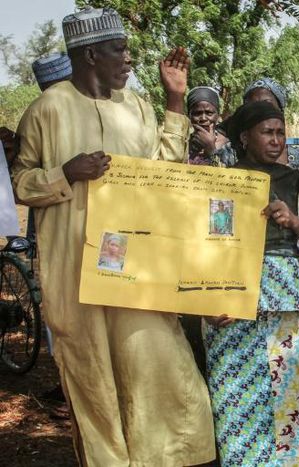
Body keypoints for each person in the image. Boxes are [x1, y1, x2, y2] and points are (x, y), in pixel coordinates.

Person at [11, 8, 215, 465]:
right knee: (94, 376)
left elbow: (165, 169)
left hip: (135, 271)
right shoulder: (47, 109)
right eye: (119, 50)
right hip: (73, 270)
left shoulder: (138, 107)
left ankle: (167, 456)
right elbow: (20, 181)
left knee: (158, 363)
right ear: (91, 54)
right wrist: (65, 173)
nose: (128, 59)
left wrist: (175, 101)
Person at [205, 100, 299, 465]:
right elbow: (203, 244)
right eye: (267, 132)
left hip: (286, 301)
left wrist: (295, 223)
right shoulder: (221, 182)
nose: (277, 140)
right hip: (231, 301)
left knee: (288, 393)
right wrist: (214, 296)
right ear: (244, 137)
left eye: (281, 132)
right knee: (236, 396)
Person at [187, 86, 235, 166]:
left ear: (217, 115)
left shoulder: (230, 146)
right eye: (197, 113)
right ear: (189, 116)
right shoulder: (183, 144)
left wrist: (211, 149)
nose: (203, 118)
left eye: (209, 113)